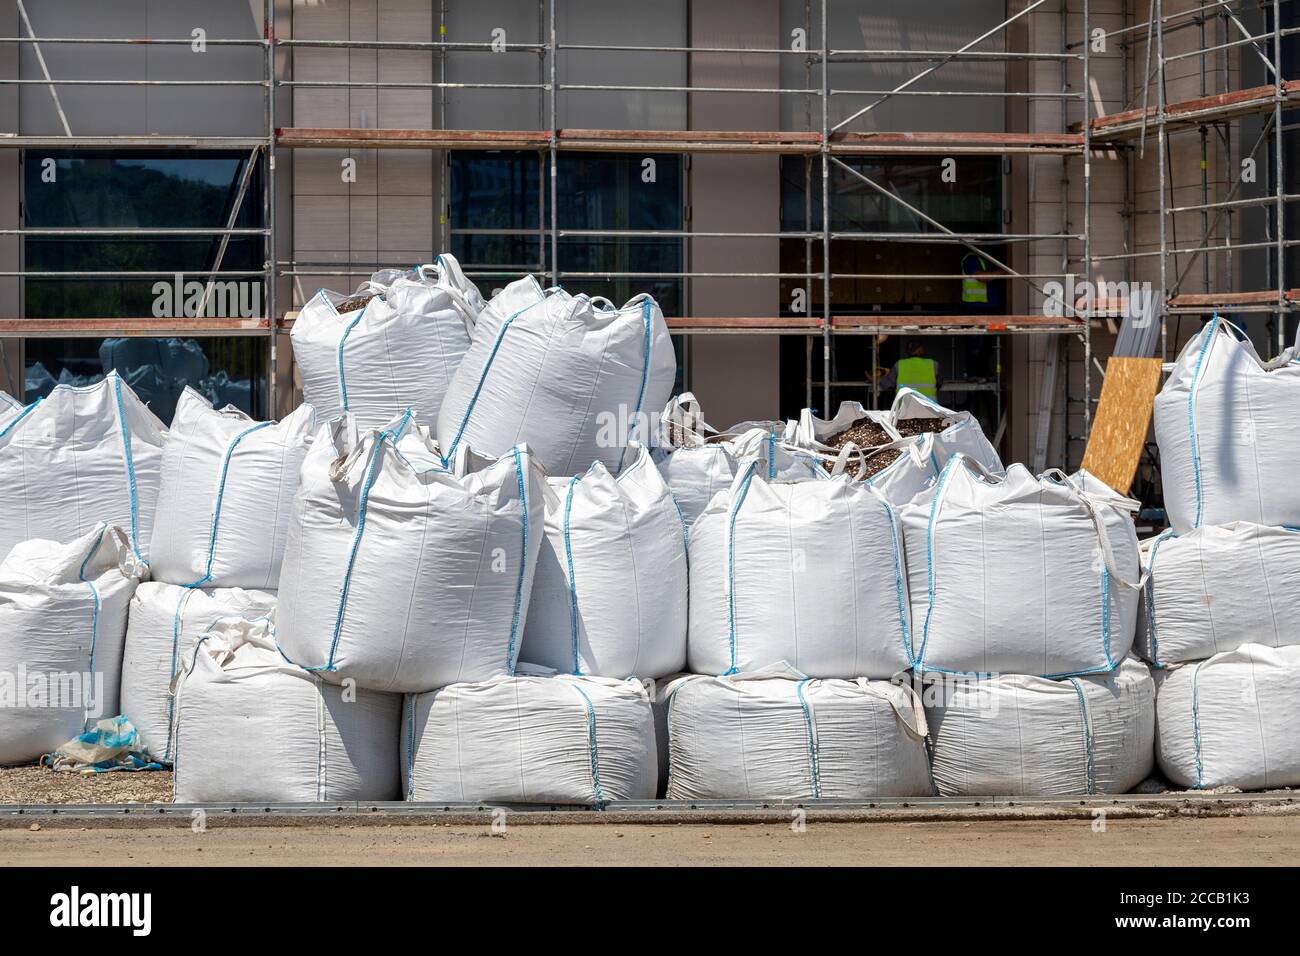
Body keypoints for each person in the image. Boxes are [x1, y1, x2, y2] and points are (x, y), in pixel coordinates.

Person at [876, 341, 942, 400]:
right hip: (929, 406)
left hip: (905, 407)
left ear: (907, 352)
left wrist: (875, 380)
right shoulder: (933, 364)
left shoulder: (899, 364)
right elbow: (939, 383)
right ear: (920, 350)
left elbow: (886, 384)